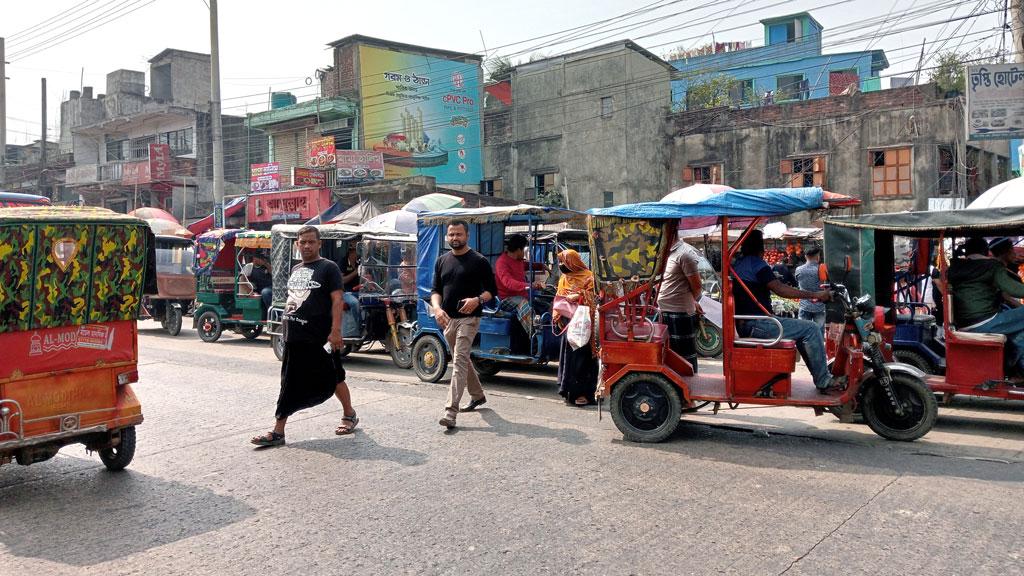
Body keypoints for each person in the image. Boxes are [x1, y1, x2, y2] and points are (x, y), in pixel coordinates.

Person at [251, 226, 358, 447]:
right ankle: (278, 431)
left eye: (311, 242)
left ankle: (349, 414)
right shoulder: (296, 269)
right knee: (288, 382)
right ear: (297, 244)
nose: (307, 246)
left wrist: (336, 331)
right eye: (303, 242)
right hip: (294, 335)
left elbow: (338, 300)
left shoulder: (329, 268)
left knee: (335, 376)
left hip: (320, 336)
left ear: (319, 244)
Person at [732, 230, 837, 394]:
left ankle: (820, 377)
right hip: (759, 325)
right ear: (761, 248)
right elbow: (781, 290)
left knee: (804, 331)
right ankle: (823, 380)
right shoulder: (757, 265)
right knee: (811, 328)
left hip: (749, 324)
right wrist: (815, 294)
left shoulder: (740, 263)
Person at [431, 220, 498, 429]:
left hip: (470, 319)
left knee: (458, 361)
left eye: (458, 234)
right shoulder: (442, 260)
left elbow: (491, 291)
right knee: (463, 359)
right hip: (447, 320)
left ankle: (451, 411)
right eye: (451, 234)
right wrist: (437, 309)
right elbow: (435, 291)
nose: (454, 238)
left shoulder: (479, 261)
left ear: (467, 235)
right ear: (446, 237)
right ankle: (477, 395)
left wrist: (477, 300)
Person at [948, 236, 1024, 378]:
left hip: (964, 323)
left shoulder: (956, 267)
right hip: (985, 321)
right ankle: (1013, 363)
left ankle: (1015, 365)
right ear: (985, 251)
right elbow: (1013, 290)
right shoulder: (992, 266)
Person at [553, 249, 598, 406]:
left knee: (583, 358)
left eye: (563, 262)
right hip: (567, 323)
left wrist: (580, 296)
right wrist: (556, 314)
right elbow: (558, 296)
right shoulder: (564, 278)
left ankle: (584, 394)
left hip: (584, 323)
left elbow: (596, 298)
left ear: (573, 262)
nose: (561, 265)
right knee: (569, 357)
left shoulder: (589, 277)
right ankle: (569, 392)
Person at [659, 239, 703, 373]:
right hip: (663, 310)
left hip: (680, 313)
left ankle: (689, 387)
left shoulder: (685, 254)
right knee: (669, 357)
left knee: (683, 358)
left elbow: (697, 286)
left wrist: (692, 301)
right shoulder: (664, 252)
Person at [495, 233, 548, 334]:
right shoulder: (502, 262)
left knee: (545, 305)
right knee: (523, 303)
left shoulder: (518, 260)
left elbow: (525, 265)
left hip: (523, 296)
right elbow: (508, 282)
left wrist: (540, 266)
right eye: (523, 249)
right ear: (519, 250)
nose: (524, 252)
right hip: (506, 299)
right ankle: (534, 337)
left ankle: (549, 333)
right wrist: (529, 285)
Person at [794, 247, 827, 330]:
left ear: (805, 256)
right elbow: (826, 285)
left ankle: (802, 343)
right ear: (818, 257)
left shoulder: (799, 269)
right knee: (818, 332)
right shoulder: (822, 269)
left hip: (804, 305)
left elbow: (797, 281)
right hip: (819, 306)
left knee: (802, 331)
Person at [989, 237, 1023, 308]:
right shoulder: (998, 270)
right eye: (1012, 249)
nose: (1014, 253)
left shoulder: (995, 266)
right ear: (1004, 252)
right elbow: (1007, 297)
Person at [340, 243, 362, 337]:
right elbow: (342, 281)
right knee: (354, 303)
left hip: (359, 291)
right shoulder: (343, 262)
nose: (357, 255)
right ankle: (357, 327)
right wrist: (355, 272)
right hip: (345, 292)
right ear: (351, 252)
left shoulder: (359, 263)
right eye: (356, 252)